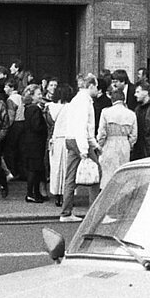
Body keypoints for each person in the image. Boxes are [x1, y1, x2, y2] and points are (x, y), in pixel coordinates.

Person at [53, 74, 101, 221]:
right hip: (80, 141)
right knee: (96, 174)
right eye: (96, 86)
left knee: (70, 177)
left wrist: (94, 145)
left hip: (71, 139)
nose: (97, 90)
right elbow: (82, 126)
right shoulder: (84, 102)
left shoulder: (76, 100)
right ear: (91, 86)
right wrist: (85, 150)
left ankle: (66, 212)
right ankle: (95, 213)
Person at [96, 85, 138, 183]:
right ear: (124, 100)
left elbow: (102, 132)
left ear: (112, 100)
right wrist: (130, 145)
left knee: (108, 174)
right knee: (123, 173)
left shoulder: (106, 112)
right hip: (124, 144)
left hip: (109, 143)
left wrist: (100, 145)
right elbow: (134, 135)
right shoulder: (131, 114)